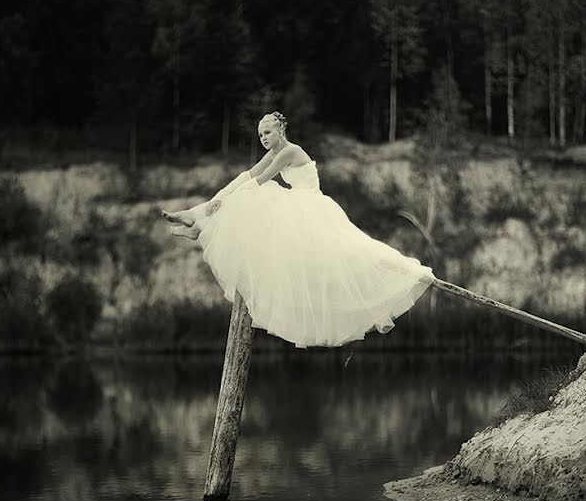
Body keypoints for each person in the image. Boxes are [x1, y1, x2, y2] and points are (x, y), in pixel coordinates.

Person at [161, 111, 435, 348]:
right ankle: (194, 220)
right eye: (260, 135)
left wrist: (220, 203)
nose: (264, 138)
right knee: (245, 194)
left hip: (310, 207)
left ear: (280, 130)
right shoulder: (275, 152)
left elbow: (260, 180)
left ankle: (197, 223)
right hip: (297, 203)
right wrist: (214, 202)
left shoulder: (289, 151)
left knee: (352, 248)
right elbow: (247, 175)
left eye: (267, 132)